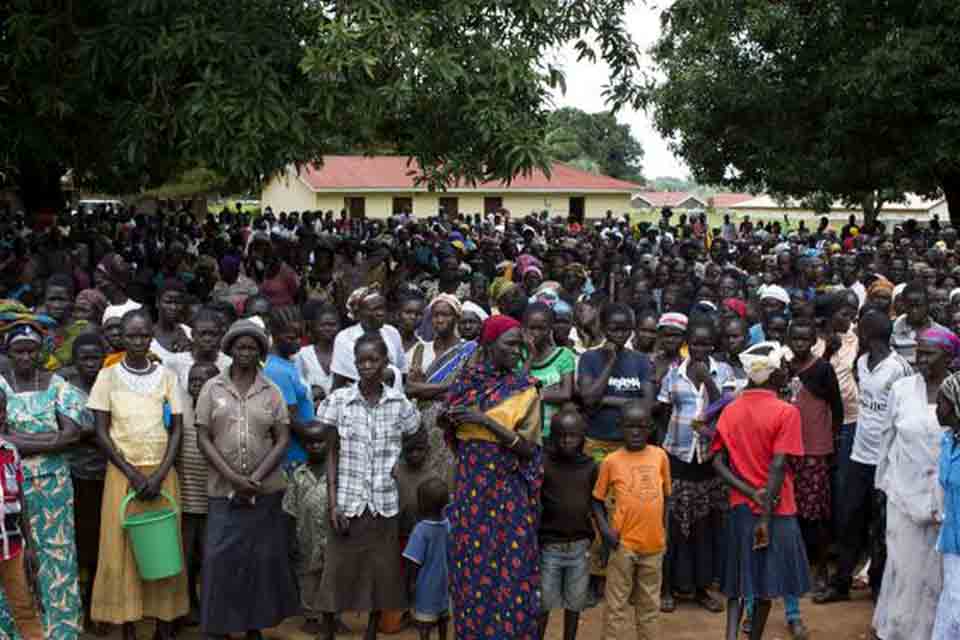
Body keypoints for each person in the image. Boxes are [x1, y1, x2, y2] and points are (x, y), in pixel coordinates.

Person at [88, 309, 188, 640]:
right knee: (121, 548)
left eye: (145, 335)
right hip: (123, 475)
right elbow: (101, 432)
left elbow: (176, 429)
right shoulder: (108, 375)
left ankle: (164, 623)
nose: (139, 341)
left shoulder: (167, 376)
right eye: (132, 335)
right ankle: (127, 624)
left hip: (161, 473)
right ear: (121, 337)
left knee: (164, 549)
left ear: (151, 337)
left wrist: (160, 473)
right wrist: (131, 472)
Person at [195, 319, 298, 639]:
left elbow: (282, 438)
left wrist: (253, 477)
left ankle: (254, 626)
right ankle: (223, 627)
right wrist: (232, 478)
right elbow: (203, 437)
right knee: (219, 559)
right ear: (230, 350)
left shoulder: (272, 391)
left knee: (259, 561)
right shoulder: (213, 388)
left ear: (260, 353)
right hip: (222, 492)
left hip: (264, 491)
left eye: (252, 348)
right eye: (240, 347)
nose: (246, 352)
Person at [443, 315, 543, 640]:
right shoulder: (466, 382)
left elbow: (529, 449)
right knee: (471, 570)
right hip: (471, 492)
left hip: (507, 491)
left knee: (510, 570)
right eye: (509, 343)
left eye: (519, 344)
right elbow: (453, 434)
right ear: (489, 345)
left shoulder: (525, 390)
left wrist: (486, 422)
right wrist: (447, 418)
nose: (517, 350)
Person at [316, 332, 421, 640]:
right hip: (347, 501)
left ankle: (372, 631)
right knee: (335, 571)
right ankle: (327, 630)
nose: (366, 366)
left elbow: (416, 436)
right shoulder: (339, 401)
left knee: (381, 573)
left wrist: (397, 472)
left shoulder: (399, 404)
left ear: (385, 363)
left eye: (373, 360)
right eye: (361, 360)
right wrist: (333, 502)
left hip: (384, 503)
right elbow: (330, 453)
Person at [711, 341, 811, 640]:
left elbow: (717, 462)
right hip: (777, 510)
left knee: (738, 583)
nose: (785, 371)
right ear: (771, 374)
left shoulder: (731, 410)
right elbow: (779, 467)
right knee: (767, 585)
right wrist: (765, 514)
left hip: (741, 506)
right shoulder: (787, 412)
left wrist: (749, 491)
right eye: (781, 367)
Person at [817, 310, 911, 604]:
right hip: (859, 456)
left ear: (870, 335)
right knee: (849, 521)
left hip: (887, 461)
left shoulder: (899, 368)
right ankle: (841, 582)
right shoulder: (861, 362)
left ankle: (878, 586)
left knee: (882, 528)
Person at [0, 323, 85, 639]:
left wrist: (17, 439)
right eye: (18, 351)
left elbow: (73, 434)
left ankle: (61, 631)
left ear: (41, 352)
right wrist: (52, 441)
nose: (25, 357)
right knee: (12, 558)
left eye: (31, 350)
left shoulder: (59, 385)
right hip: (7, 490)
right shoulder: (0, 387)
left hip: (55, 489)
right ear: (8, 353)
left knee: (57, 557)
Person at [871, 327, 954, 640]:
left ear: (949, 357)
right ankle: (899, 628)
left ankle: (936, 630)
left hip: (946, 497)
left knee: (937, 568)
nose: (920, 360)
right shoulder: (902, 389)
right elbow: (887, 436)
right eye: (917, 352)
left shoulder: (955, 391)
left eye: (928, 354)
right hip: (902, 492)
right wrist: (882, 484)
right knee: (904, 565)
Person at [657, 319, 732, 614]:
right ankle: (668, 588)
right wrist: (669, 441)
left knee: (703, 527)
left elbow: (725, 408)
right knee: (673, 527)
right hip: (677, 458)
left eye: (706, 344)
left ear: (712, 345)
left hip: (707, 460)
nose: (700, 349)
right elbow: (663, 410)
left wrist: (708, 381)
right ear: (689, 342)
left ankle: (701, 589)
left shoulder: (722, 372)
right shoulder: (673, 373)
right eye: (696, 343)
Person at [592, 400, 670, 640]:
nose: (636, 432)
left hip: (654, 546)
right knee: (616, 605)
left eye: (641, 426)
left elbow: (666, 497)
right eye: (629, 426)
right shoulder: (611, 461)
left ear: (650, 428)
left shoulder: (660, 456)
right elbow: (596, 500)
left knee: (649, 606)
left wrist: (664, 531)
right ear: (620, 427)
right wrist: (605, 531)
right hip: (623, 545)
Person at [785, 316, 843, 591]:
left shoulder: (822, 369)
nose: (799, 343)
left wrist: (833, 441)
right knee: (790, 511)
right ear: (788, 340)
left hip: (815, 450)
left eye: (804, 339)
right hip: (788, 448)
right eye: (794, 338)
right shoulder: (783, 368)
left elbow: (837, 408)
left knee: (816, 513)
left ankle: (820, 568)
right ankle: (795, 566)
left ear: (812, 342)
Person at [405, 294, 479, 484]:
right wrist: (448, 386)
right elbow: (410, 389)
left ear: (456, 318)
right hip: (420, 425)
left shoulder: (469, 349)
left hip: (450, 425)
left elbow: (464, 388)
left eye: (445, 315)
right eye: (435, 315)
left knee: (447, 479)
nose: (439, 319)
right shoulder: (421, 349)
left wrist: (423, 388)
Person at [62, 331, 108, 632]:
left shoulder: (111, 386)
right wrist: (96, 437)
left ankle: (96, 607)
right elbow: (66, 433)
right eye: (85, 359)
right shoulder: (65, 389)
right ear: (75, 362)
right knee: (76, 543)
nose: (91, 364)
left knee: (100, 546)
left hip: (107, 476)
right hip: (73, 476)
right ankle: (74, 608)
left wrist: (86, 435)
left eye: (96, 358)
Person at [539, 409, 597, 640]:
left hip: (579, 546)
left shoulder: (590, 466)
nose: (567, 440)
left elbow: (595, 503)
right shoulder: (544, 463)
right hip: (550, 546)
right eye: (561, 435)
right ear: (553, 436)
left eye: (573, 435)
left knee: (574, 604)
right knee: (543, 604)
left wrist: (602, 534)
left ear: (582, 436)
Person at [0, 391, 46, 640]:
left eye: (0, 410)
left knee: (25, 608)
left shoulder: (10, 452)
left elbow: (21, 501)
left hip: (13, 546)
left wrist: (29, 545)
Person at [179, 361, 219, 626]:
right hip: (185, 495)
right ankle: (188, 603)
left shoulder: (220, 413)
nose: (197, 385)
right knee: (186, 556)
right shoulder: (181, 410)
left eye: (202, 381)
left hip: (213, 497)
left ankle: (211, 608)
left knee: (210, 556)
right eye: (192, 380)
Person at [402, 477, 451, 640]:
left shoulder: (420, 530)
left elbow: (413, 562)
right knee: (443, 621)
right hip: (444, 586)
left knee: (424, 626)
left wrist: (410, 583)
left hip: (426, 589)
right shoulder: (448, 525)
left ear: (421, 505)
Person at [331, 286, 407, 389]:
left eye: (382, 308)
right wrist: (391, 372)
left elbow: (403, 371)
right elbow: (357, 376)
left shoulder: (392, 332)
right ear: (358, 313)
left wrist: (393, 373)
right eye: (374, 309)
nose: (381, 313)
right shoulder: (345, 338)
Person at [521, 303, 575, 439]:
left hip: (553, 433)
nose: (536, 333)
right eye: (531, 328)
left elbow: (565, 393)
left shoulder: (564, 355)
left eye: (541, 329)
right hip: (524, 433)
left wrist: (531, 392)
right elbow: (516, 389)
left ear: (550, 329)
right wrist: (531, 355)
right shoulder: (518, 355)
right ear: (523, 329)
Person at [933, 372, 960, 639]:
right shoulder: (948, 440)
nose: (936, 409)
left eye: (941, 402)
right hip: (952, 539)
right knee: (950, 610)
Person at [295, 301, 341, 407]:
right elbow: (297, 386)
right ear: (315, 327)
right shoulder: (303, 354)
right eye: (323, 325)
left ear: (339, 327)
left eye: (332, 325)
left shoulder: (345, 353)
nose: (328, 328)